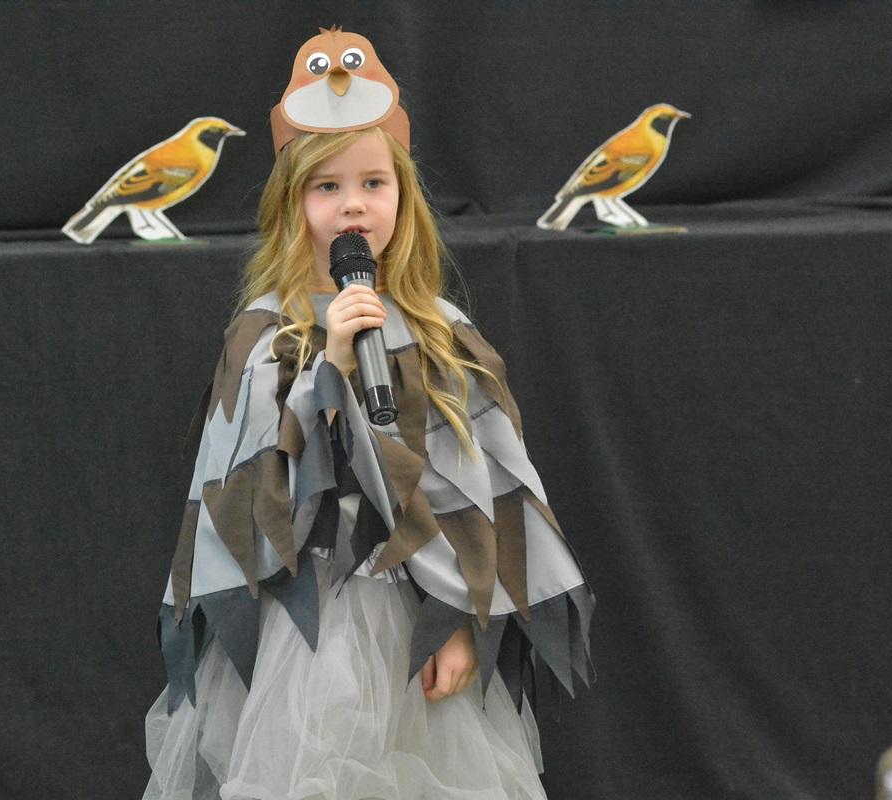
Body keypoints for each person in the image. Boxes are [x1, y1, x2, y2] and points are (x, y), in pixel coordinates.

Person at [142, 28, 593, 800]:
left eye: (373, 183)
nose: (352, 203)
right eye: (327, 187)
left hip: (416, 623)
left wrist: (463, 619)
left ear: (403, 199)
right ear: (293, 206)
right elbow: (250, 494)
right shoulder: (266, 333)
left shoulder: (443, 332)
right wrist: (333, 367)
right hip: (309, 624)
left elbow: (475, 490)